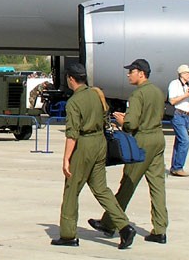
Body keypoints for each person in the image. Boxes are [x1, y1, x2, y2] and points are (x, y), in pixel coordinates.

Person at [52, 63, 135, 249]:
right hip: (100, 144)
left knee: (72, 189)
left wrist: (66, 159)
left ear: (71, 79)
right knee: (101, 188)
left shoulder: (74, 102)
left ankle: (68, 234)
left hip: (85, 145)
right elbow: (106, 117)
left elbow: (72, 134)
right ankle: (124, 226)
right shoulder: (96, 94)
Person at [90, 58, 169, 245]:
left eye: (131, 71)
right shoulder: (158, 92)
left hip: (143, 139)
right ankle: (160, 229)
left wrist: (121, 121)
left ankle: (110, 223)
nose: (128, 74)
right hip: (158, 137)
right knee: (157, 186)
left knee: (129, 182)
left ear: (141, 73)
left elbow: (131, 123)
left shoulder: (137, 95)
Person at [168, 64, 189, 177]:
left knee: (179, 142)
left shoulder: (186, 86)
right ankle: (178, 167)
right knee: (185, 141)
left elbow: (186, 103)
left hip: (186, 116)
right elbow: (172, 101)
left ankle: (175, 167)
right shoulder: (174, 84)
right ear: (182, 74)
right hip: (177, 115)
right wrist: (187, 94)